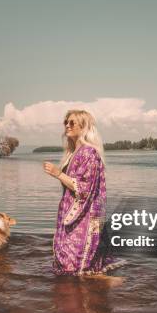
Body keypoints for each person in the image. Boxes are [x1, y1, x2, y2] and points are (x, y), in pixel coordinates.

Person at [43, 109, 121, 276]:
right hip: (70, 212)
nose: (67, 126)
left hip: (84, 216)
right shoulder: (72, 153)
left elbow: (85, 188)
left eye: (72, 123)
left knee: (77, 263)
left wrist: (58, 174)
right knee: (67, 261)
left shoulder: (89, 152)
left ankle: (102, 285)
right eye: (65, 122)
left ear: (83, 126)